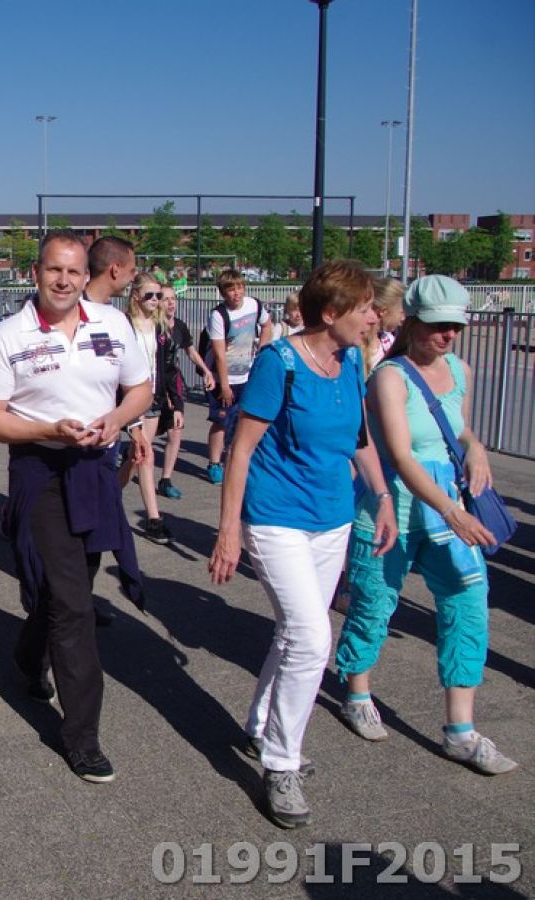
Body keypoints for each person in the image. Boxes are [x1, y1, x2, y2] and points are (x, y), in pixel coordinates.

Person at [209, 260, 395, 829]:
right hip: (277, 519)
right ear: (332, 313)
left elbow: (359, 439)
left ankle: (260, 727)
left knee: (294, 634)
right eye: (365, 308)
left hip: (332, 519)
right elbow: (241, 450)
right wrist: (228, 530)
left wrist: (382, 496)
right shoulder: (280, 362)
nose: (375, 317)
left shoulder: (351, 362)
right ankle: (281, 762)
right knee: (313, 638)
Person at [0, 233, 152, 784]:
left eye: (73, 272)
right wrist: (49, 429)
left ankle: (29, 657)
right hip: (40, 470)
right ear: (36, 273)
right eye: (54, 270)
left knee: (69, 586)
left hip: (95, 468)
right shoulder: (7, 335)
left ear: (84, 276)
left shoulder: (113, 323)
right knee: (74, 605)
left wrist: (117, 420)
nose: (64, 281)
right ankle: (82, 737)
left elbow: (140, 388)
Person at [333, 275, 516, 776]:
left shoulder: (460, 369)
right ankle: (357, 692)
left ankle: (461, 729)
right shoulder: (389, 377)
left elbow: (459, 428)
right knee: (374, 602)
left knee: (468, 604)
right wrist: (453, 512)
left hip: (447, 505)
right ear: (412, 322)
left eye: (456, 325)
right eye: (438, 326)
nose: (448, 335)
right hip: (393, 506)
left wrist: (476, 448)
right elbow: (400, 455)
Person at [116, 276, 172, 543]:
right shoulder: (125, 324)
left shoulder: (160, 327)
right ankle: (154, 519)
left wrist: (175, 403)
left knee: (137, 456)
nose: (155, 300)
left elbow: (168, 367)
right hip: (131, 397)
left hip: (154, 397)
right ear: (136, 295)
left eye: (158, 296)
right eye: (150, 295)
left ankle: (108, 496)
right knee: (146, 455)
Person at [204, 269, 272, 484]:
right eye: (231, 289)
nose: (237, 293)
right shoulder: (218, 315)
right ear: (223, 293)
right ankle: (214, 463)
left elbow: (267, 325)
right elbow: (219, 354)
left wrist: (262, 351)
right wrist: (224, 385)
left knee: (245, 419)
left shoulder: (254, 305)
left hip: (247, 374)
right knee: (221, 420)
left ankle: (237, 459)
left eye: (239, 287)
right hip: (224, 376)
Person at [156, 284, 214, 500]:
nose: (171, 302)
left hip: (174, 384)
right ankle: (131, 456)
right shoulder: (154, 327)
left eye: (173, 298)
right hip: (155, 384)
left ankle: (166, 479)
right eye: (166, 299)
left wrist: (206, 370)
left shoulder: (180, 326)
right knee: (150, 432)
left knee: (175, 430)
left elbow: (190, 350)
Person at [363, 276, 405, 371]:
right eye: (401, 313)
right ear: (383, 312)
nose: (403, 318)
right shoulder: (355, 345)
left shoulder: (388, 340)